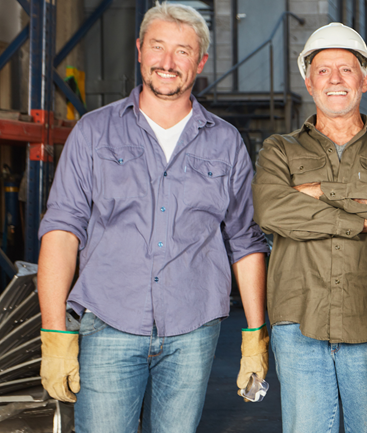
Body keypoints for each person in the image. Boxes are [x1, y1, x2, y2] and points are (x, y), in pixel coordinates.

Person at [36, 3, 269, 432]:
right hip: (108, 323)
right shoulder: (93, 131)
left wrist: (255, 335)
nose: (167, 62)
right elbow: (61, 231)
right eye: (158, 47)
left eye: (183, 51)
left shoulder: (226, 142)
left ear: (199, 62)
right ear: (140, 50)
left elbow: (244, 240)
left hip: (193, 329)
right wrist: (56, 336)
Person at [251, 22, 367, 433]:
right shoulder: (279, 149)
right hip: (300, 319)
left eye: (346, 69)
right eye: (323, 70)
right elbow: (272, 209)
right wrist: (358, 218)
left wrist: (318, 190)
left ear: (364, 78)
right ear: (309, 83)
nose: (335, 80)